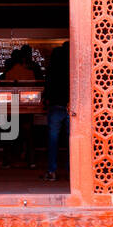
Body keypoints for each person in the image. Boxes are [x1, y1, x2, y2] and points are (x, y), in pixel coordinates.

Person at [0, 45, 41, 168]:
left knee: (7, 134)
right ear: (23, 59)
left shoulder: (7, 74)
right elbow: (35, 89)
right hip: (27, 108)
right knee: (28, 135)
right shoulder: (30, 72)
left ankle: (7, 161)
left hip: (11, 109)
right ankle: (31, 161)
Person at [40, 41, 69, 181]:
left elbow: (48, 87)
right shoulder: (72, 68)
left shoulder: (52, 69)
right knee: (72, 140)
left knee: (53, 140)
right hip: (71, 108)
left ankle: (52, 171)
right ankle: (73, 172)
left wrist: (46, 100)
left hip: (56, 107)